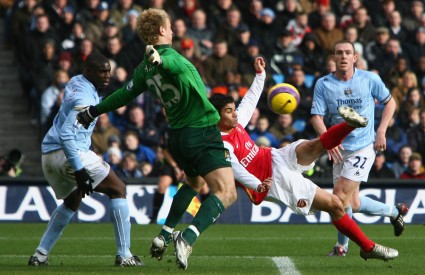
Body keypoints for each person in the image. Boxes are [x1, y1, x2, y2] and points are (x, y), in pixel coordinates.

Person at [76, 8, 236, 270]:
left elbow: (123, 96)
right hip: (202, 131)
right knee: (227, 193)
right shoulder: (170, 58)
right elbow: (172, 66)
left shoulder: (143, 69)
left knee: (193, 182)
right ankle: (188, 237)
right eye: (170, 27)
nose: (172, 30)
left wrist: (94, 110)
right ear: (162, 30)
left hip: (177, 137)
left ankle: (164, 234)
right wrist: (161, 61)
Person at [210, 56, 398, 262]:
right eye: (229, 111)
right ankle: (367, 247)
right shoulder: (220, 143)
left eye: (233, 109)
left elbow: (250, 100)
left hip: (273, 155)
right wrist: (257, 184)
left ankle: (350, 124)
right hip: (272, 180)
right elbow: (235, 169)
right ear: (217, 116)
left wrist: (260, 75)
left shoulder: (236, 123)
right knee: (336, 205)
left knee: (312, 145)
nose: (235, 114)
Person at [28, 52, 142, 267]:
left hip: (48, 155)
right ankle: (124, 255)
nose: (107, 76)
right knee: (118, 189)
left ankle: (40, 253)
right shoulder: (85, 100)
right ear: (88, 71)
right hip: (69, 153)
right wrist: (79, 170)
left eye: (108, 71)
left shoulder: (74, 82)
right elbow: (67, 135)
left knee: (72, 201)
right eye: (102, 71)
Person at [311, 40, 408, 256]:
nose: (343, 56)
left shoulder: (369, 79)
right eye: (339, 53)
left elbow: (390, 102)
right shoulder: (323, 84)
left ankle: (341, 247)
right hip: (339, 147)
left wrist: (381, 131)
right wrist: (327, 140)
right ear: (333, 58)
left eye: (348, 53)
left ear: (355, 57)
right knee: (351, 203)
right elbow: (316, 117)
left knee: (339, 196)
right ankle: (395, 212)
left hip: (363, 146)